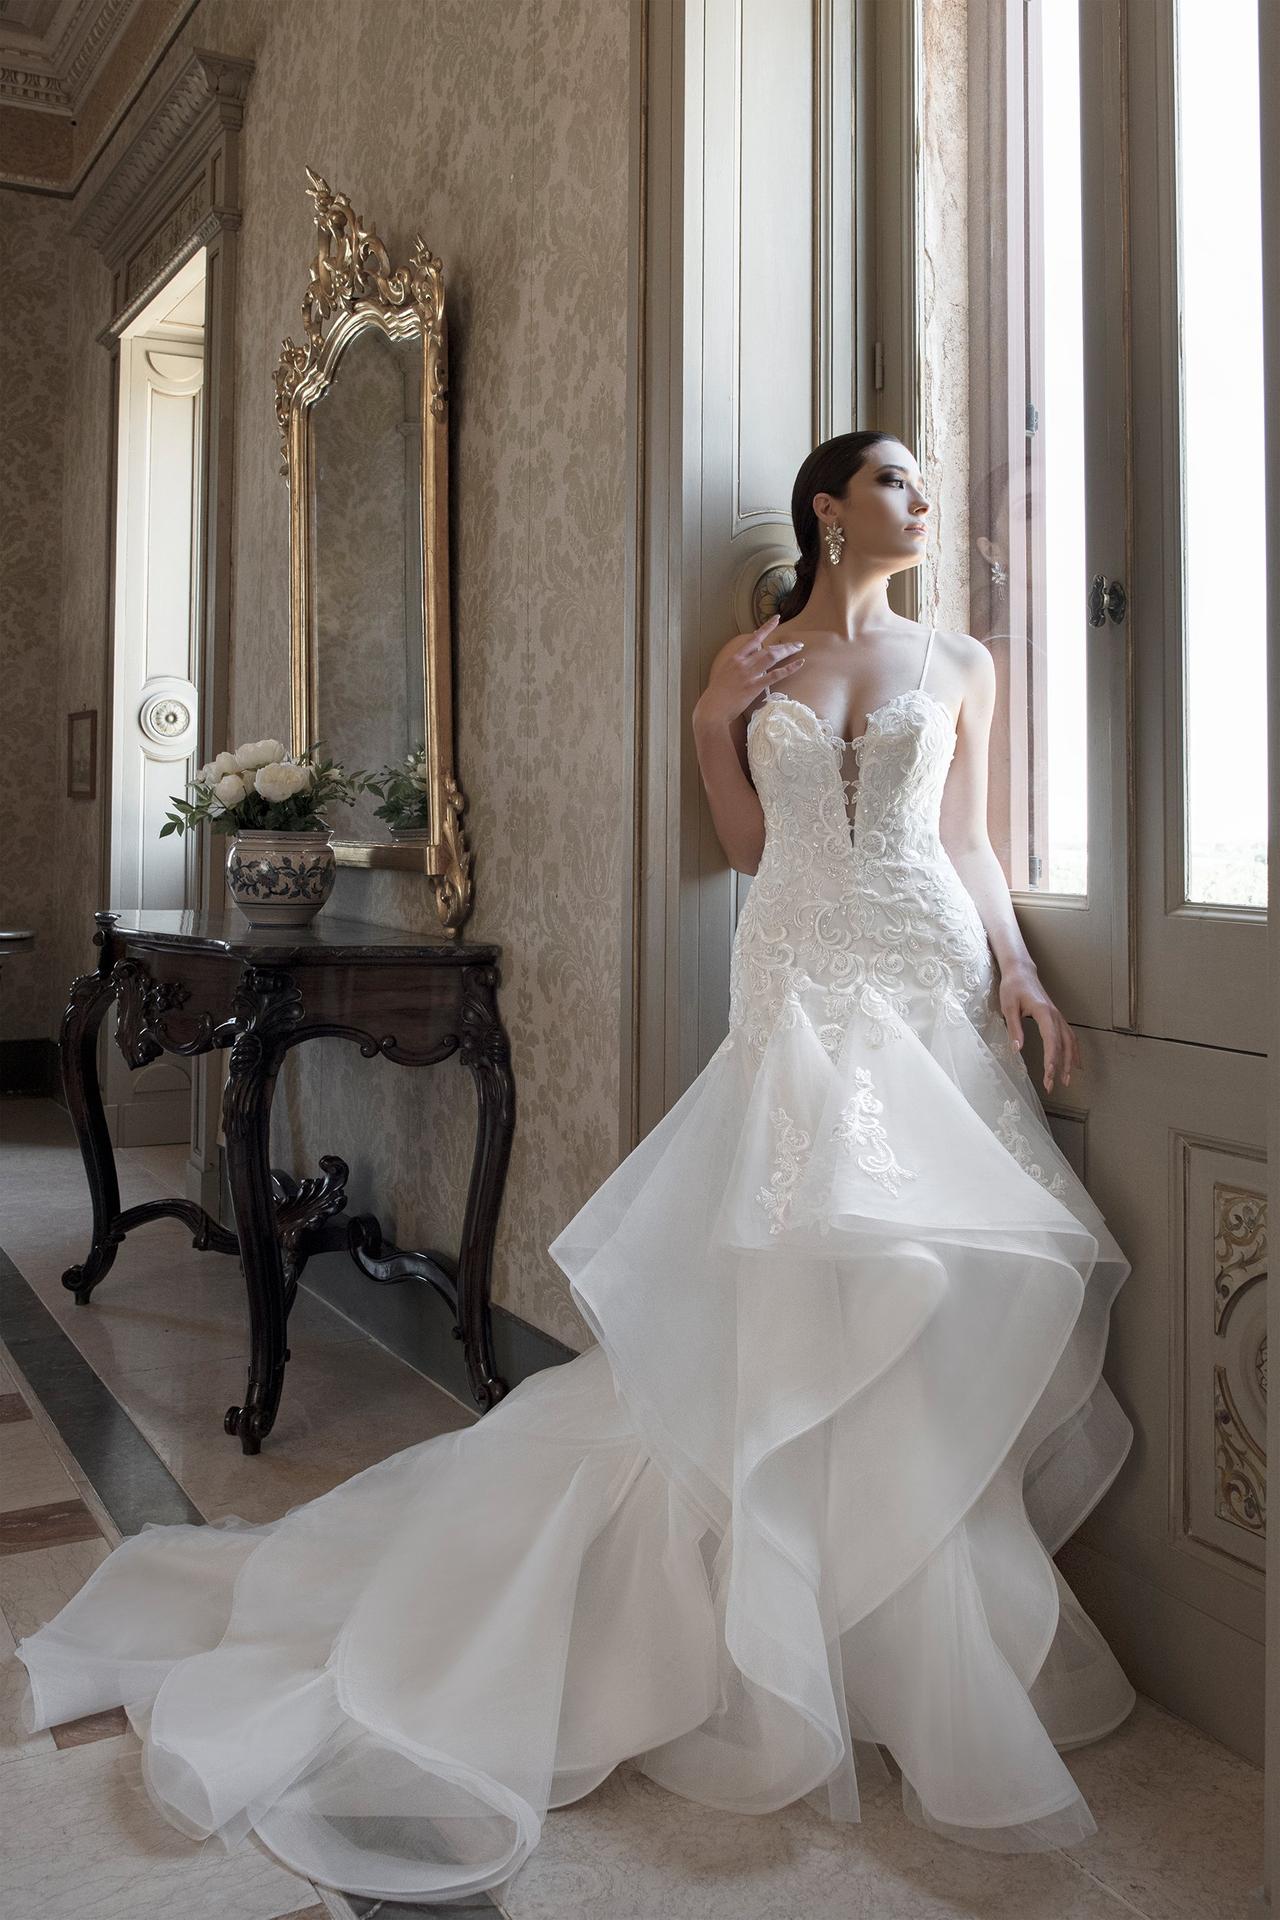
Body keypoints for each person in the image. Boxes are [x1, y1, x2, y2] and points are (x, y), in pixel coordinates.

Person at [16, 430, 1136, 1905]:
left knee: (928, 1284)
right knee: (809, 1293)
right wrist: (715, 716)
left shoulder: (967, 666)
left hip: (926, 984)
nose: (925, 504)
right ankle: (778, 1628)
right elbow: (742, 844)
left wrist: (1019, 971)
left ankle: (897, 1636)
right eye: (897, 483)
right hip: (798, 982)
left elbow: (974, 845)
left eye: (927, 485)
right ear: (828, 505)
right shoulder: (755, 667)